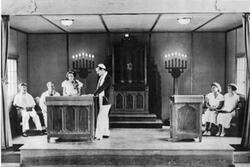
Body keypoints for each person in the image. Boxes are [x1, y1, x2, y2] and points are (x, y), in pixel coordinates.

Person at [94, 64, 112, 140]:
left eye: (98, 71)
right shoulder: (102, 76)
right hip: (102, 99)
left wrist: (95, 93)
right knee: (104, 116)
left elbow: (103, 87)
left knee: (100, 117)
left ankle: (99, 135)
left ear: (102, 70)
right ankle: (105, 133)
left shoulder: (108, 77)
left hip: (106, 100)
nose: (97, 73)